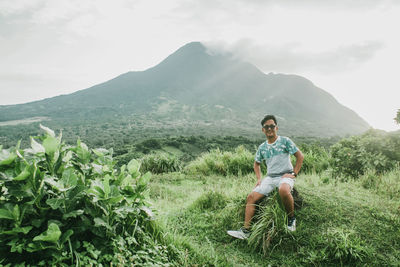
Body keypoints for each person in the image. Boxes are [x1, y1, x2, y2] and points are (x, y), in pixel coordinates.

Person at [227, 115, 304, 239]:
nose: (269, 129)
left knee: (283, 190)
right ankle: (246, 231)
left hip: (285, 175)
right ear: (263, 130)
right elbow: (256, 164)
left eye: (272, 126)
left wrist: (294, 173)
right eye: (266, 127)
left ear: (276, 128)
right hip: (270, 178)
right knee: (251, 197)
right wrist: (259, 179)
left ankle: (291, 219)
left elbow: (300, 156)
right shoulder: (262, 147)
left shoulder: (285, 141)